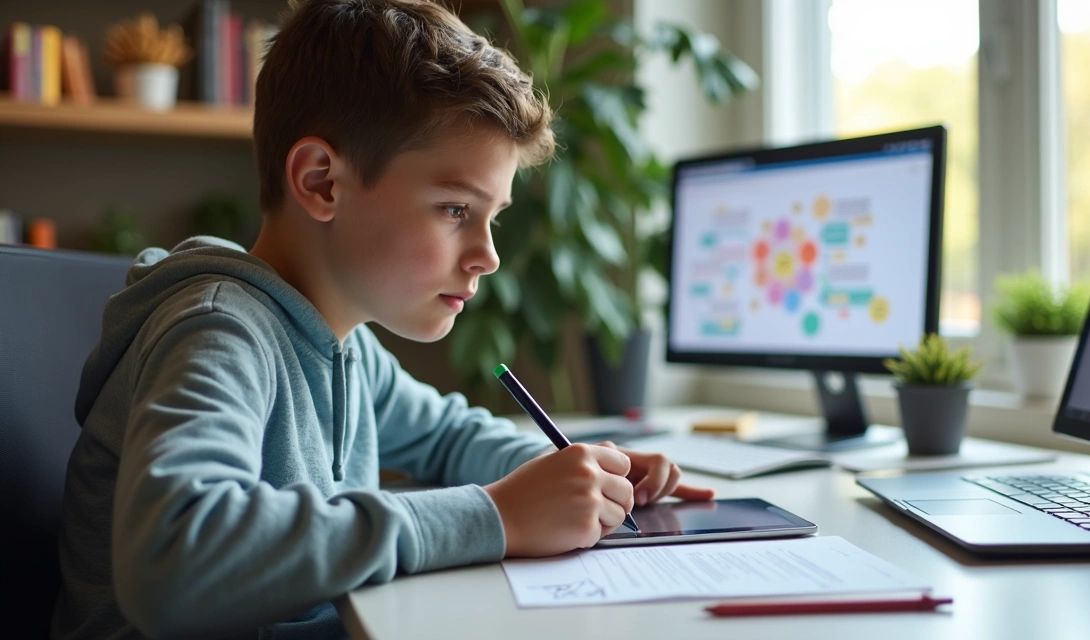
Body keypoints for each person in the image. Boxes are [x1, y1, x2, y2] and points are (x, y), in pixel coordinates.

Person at [51, 1, 713, 637]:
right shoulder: (219, 332)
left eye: (494, 218)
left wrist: (586, 478)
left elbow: (449, 439)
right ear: (321, 182)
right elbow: (172, 560)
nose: (487, 256)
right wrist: (498, 515)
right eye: (456, 209)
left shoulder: (346, 346)